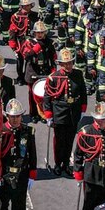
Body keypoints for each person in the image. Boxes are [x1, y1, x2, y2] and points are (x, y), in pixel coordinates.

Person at [42, 48, 88, 177]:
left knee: (69, 140)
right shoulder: (54, 77)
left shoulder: (78, 74)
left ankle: (66, 163)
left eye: (70, 63)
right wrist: (49, 115)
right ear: (60, 64)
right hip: (59, 112)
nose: (68, 66)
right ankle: (58, 163)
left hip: (74, 112)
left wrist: (83, 109)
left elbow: (83, 93)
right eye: (65, 63)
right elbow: (47, 97)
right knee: (59, 141)